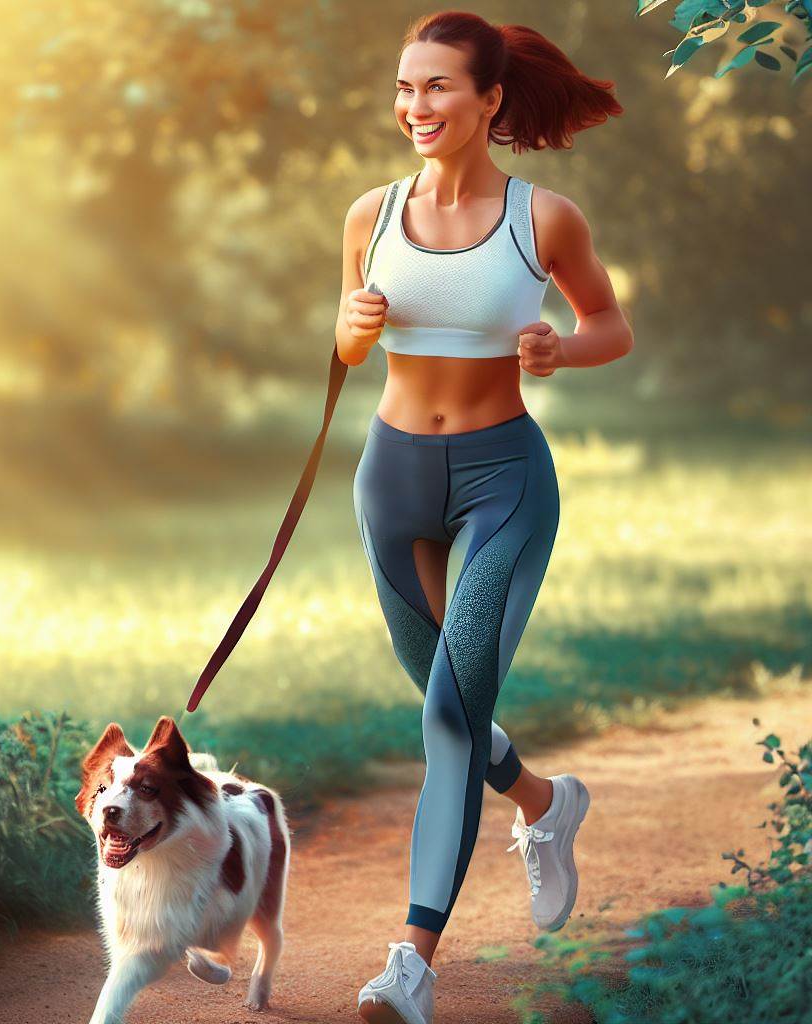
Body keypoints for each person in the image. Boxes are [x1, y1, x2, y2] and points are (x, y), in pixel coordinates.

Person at [337, 12, 631, 1024]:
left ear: (489, 99)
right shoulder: (368, 214)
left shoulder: (541, 219)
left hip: (502, 480)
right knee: (439, 690)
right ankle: (545, 804)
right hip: (392, 478)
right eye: (404, 88)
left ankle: (408, 964)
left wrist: (559, 351)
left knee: (450, 714)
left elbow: (610, 325)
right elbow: (344, 345)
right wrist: (346, 329)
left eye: (437, 89)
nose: (415, 107)